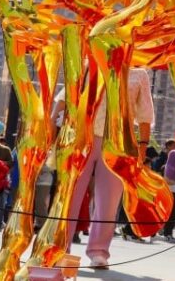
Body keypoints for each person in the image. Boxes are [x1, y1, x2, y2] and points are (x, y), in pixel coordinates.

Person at [64, 67, 154, 268]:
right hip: (82, 138)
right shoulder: (90, 63)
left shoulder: (139, 74)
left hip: (118, 143)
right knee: (70, 195)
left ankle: (99, 251)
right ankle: (61, 247)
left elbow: (145, 114)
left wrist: (142, 146)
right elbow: (67, 96)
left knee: (108, 201)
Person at [161, 149, 175, 242]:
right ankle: (167, 233)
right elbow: (167, 180)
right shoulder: (168, 167)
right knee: (170, 214)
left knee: (174, 215)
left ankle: (169, 233)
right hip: (171, 193)